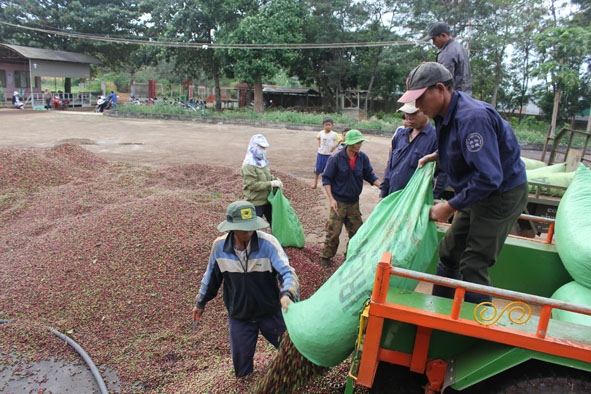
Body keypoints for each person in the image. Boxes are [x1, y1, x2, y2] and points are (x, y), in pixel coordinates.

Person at [399, 62, 528, 304]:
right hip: (477, 189)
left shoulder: (472, 118)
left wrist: (449, 206)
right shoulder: (443, 115)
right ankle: (441, 308)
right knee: (449, 251)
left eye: (420, 98)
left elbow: (490, 176)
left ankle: (473, 328)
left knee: (474, 262)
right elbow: (463, 150)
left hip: (500, 193)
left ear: (440, 89)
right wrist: (438, 155)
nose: (416, 106)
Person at [192, 200, 299, 377]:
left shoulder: (268, 244)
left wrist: (287, 293)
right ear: (232, 228)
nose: (249, 231)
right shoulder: (219, 248)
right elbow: (210, 277)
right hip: (240, 316)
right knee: (241, 370)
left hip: (270, 312)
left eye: (251, 226)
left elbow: (287, 272)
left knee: (293, 353)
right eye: (244, 227)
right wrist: (201, 302)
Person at [320, 129, 380, 267]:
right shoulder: (336, 159)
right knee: (333, 232)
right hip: (338, 203)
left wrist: (380, 186)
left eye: (360, 142)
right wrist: (331, 199)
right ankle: (326, 257)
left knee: (357, 232)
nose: (359, 145)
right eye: (356, 143)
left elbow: (369, 175)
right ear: (348, 144)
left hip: (353, 203)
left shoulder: (362, 158)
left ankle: (350, 257)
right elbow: (327, 179)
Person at [380, 102, 440, 198]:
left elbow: (444, 174)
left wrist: (431, 198)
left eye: (414, 113)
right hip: (393, 198)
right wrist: (383, 194)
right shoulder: (400, 135)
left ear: (426, 112)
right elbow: (390, 167)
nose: (409, 117)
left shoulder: (437, 138)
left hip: (416, 201)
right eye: (407, 113)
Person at [241, 134, 282, 227]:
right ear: (254, 147)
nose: (263, 150)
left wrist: (276, 180)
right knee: (252, 229)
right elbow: (252, 185)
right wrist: (270, 184)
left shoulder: (263, 161)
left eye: (265, 148)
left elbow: (268, 176)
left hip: (267, 200)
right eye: (261, 148)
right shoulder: (248, 165)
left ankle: (276, 242)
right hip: (255, 202)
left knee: (275, 225)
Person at [424, 22, 472, 96]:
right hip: (466, 96)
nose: (433, 43)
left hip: (454, 98)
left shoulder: (447, 53)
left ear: (443, 35)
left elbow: (444, 81)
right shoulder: (460, 47)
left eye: (434, 39)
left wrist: (428, 72)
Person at [313, 117, 342, 189]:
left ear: (332, 125)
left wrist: (334, 147)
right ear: (323, 125)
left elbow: (341, 140)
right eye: (326, 125)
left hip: (329, 155)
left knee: (329, 170)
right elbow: (318, 138)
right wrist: (319, 146)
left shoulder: (334, 134)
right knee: (317, 169)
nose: (327, 126)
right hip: (320, 154)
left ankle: (329, 184)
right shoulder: (321, 133)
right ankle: (315, 183)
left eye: (329, 125)